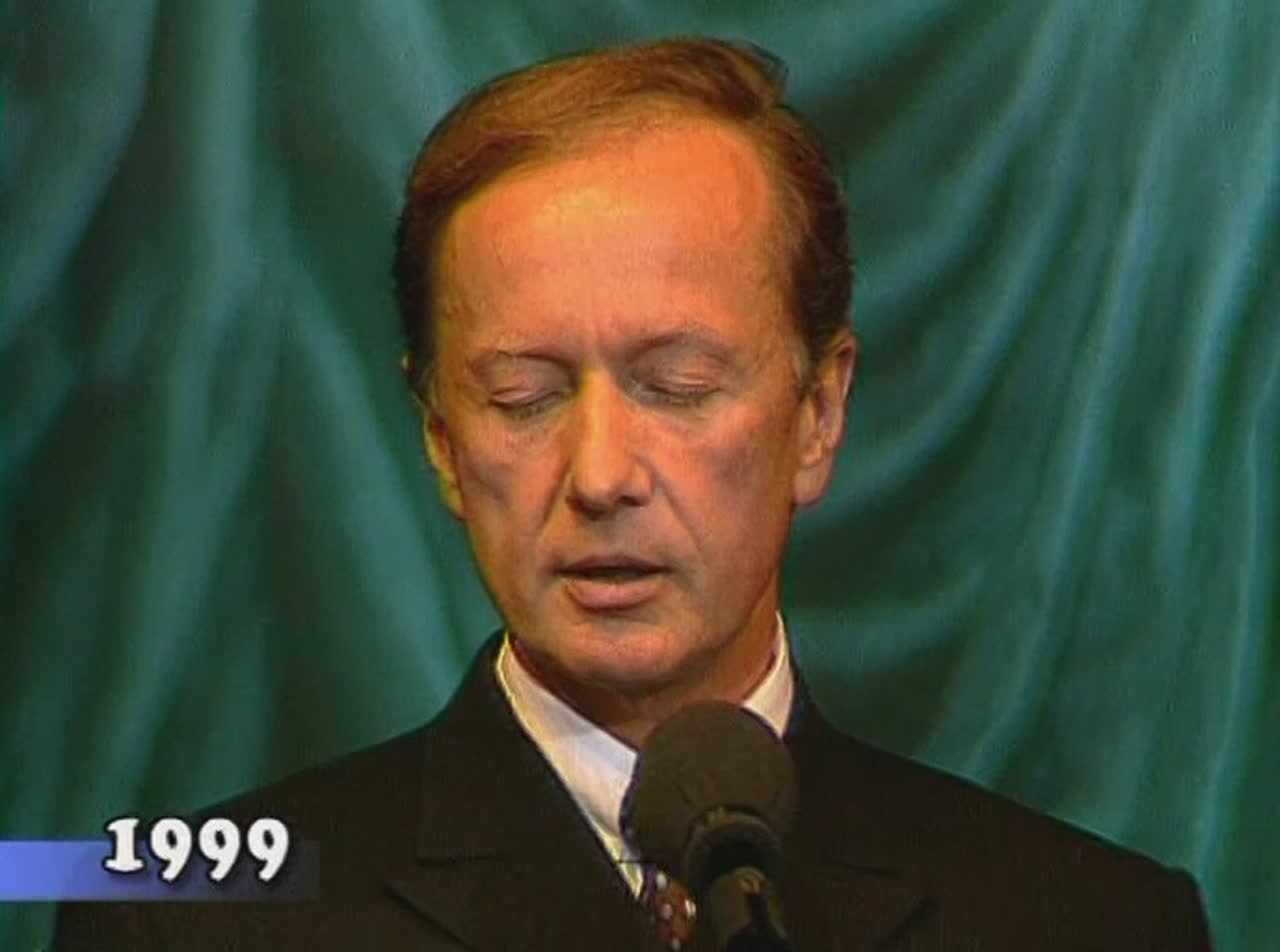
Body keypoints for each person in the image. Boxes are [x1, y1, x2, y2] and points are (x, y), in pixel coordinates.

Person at [55, 36, 1212, 951]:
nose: (601, 476)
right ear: (441, 440)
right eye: (522, 397)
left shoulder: (1091, 920)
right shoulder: (177, 915)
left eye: (677, 385)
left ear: (817, 412)